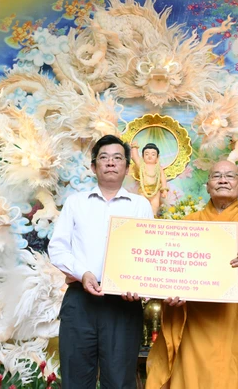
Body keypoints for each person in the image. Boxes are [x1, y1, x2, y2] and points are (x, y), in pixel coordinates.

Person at [146, 160, 238, 389]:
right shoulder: (187, 224)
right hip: (195, 321)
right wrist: (172, 293)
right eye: (216, 176)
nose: (223, 180)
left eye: (230, 176)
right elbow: (172, 271)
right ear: (208, 186)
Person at [49, 134, 154, 389]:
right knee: (75, 380)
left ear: (127, 168)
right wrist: (82, 273)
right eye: (104, 158)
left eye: (117, 158)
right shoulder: (76, 203)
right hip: (80, 300)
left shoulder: (140, 205)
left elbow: (149, 251)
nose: (110, 163)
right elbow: (58, 248)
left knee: (119, 381)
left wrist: (138, 285)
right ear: (93, 166)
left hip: (123, 304)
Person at [130, 142, 168, 216]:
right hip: (143, 191)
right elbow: (135, 158)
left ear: (157, 157)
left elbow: (163, 179)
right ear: (143, 156)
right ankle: (143, 219)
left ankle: (153, 218)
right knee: (142, 206)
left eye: (153, 154)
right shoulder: (142, 166)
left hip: (155, 191)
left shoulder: (159, 168)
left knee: (155, 205)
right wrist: (134, 147)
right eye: (147, 154)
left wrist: (164, 190)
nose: (150, 156)